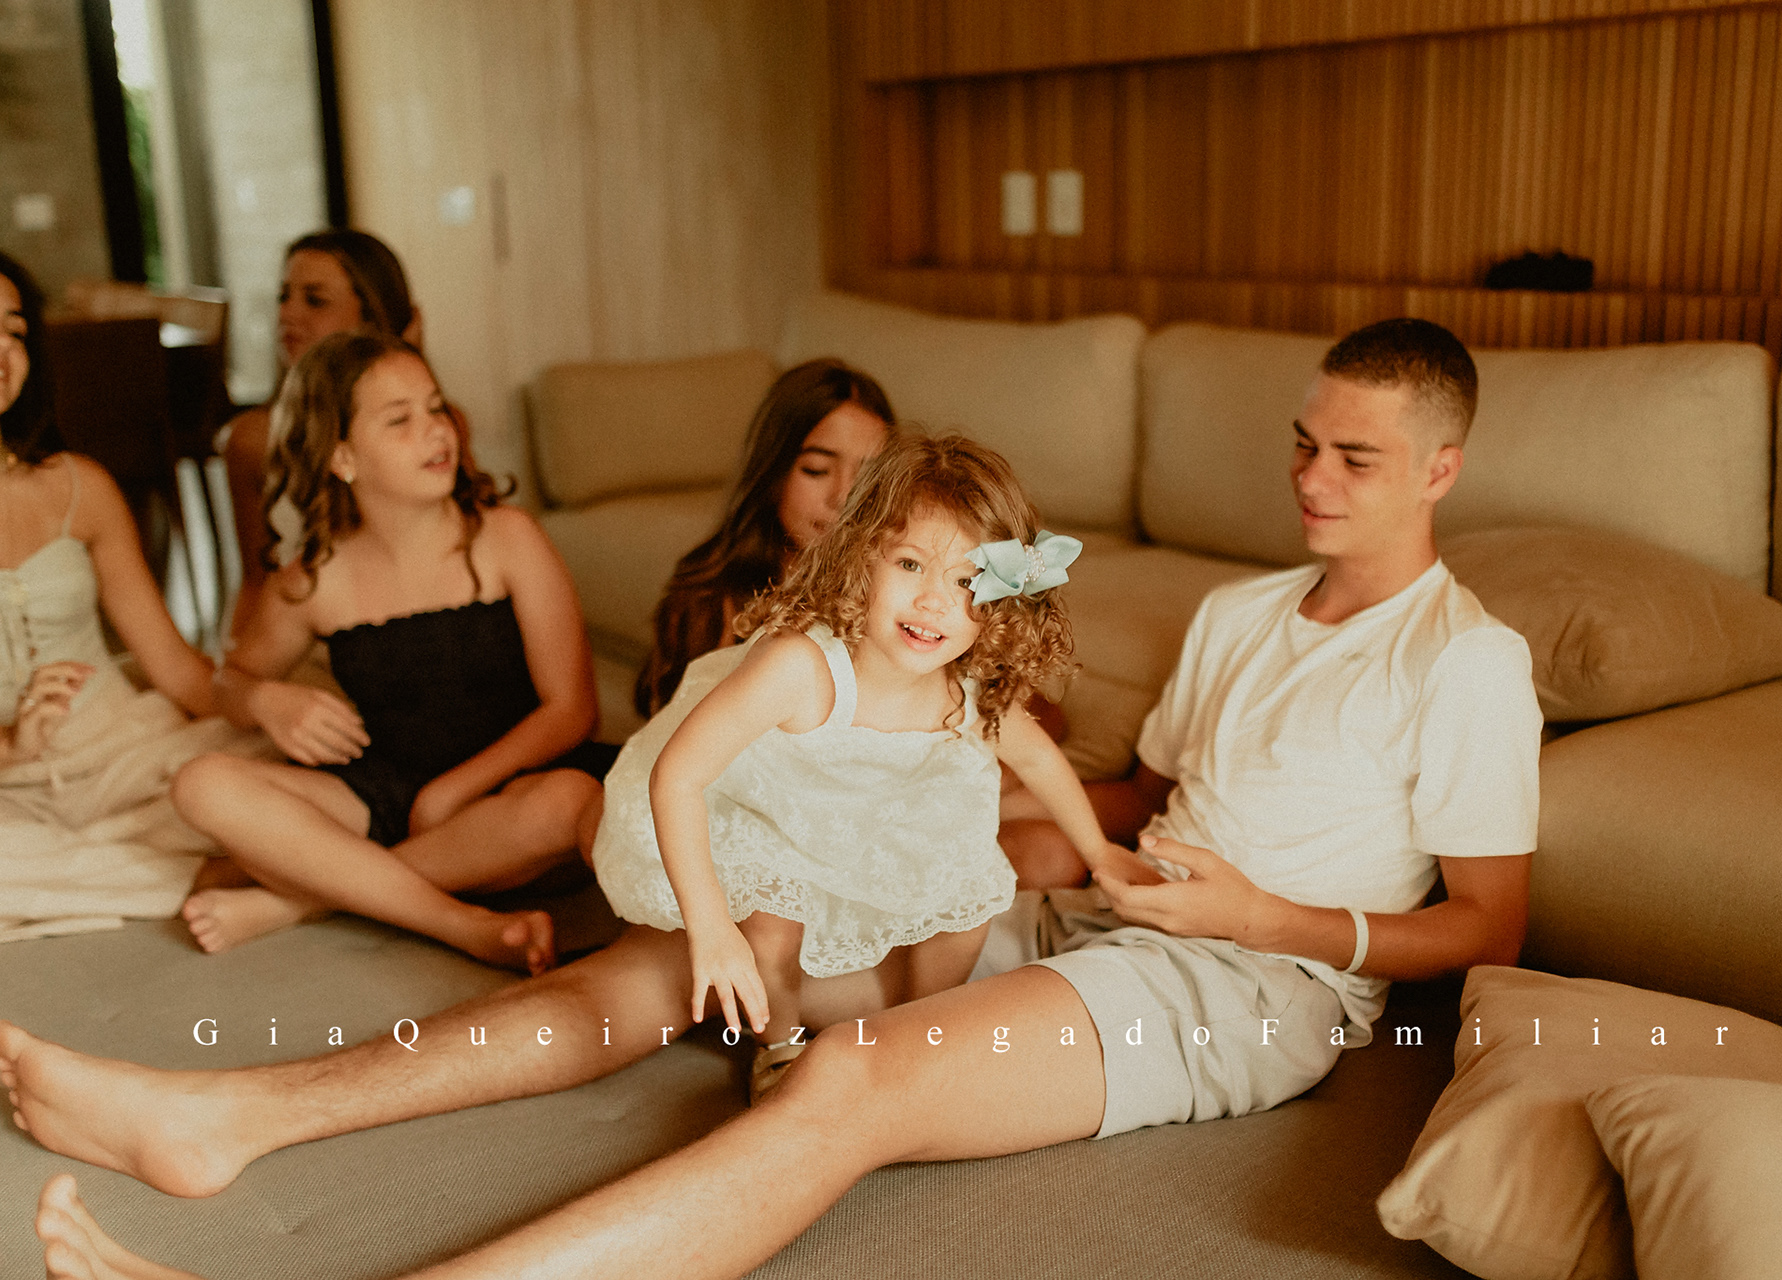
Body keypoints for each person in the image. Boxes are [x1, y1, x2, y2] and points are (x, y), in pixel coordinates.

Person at [12, 318, 1539, 1280]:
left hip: (1249, 985)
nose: (1312, 479)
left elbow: (1487, 925)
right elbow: (1128, 790)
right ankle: (223, 1113)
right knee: (683, 960)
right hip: (1104, 907)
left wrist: (1255, 915)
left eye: (1356, 458)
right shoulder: (1241, 612)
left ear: (1442, 468)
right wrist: (986, 834)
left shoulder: (1467, 662)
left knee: (849, 1083)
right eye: (1304, 445)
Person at [596, 434, 1135, 1094]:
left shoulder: (962, 689)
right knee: (771, 926)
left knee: (966, 901)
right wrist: (711, 928)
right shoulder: (800, 668)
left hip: (869, 819)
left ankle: (912, 1030)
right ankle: (779, 1047)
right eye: (910, 565)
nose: (934, 601)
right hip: (767, 813)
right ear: (860, 557)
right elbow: (678, 775)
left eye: (967, 581)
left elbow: (1040, 759)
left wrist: (1100, 853)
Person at [166, 330, 613, 971]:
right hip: (387, 789)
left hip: (514, 788)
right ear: (343, 457)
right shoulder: (312, 580)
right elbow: (227, 683)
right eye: (400, 420)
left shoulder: (507, 538)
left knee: (568, 803)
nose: (435, 432)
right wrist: (266, 700)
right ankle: (462, 924)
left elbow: (572, 710)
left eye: (435, 408)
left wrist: (451, 793)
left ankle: (303, 901)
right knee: (201, 785)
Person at [0, 252, 262, 944]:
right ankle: (216, 872)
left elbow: (174, 667)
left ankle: (136, 869)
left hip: (123, 754)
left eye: (14, 332)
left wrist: (265, 704)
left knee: (269, 764)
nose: (2, 353)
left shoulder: (80, 485)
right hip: (7, 795)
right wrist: (11, 745)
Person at [640, 356, 894, 716]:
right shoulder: (713, 602)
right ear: (773, 472)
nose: (843, 497)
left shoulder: (900, 597)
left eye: (868, 477)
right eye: (817, 469)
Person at [220, 230, 427, 638]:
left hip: (414, 626)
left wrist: (401, 370)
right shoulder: (252, 441)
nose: (288, 314)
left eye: (315, 300)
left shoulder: (436, 430)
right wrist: (235, 663)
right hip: (308, 638)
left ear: (371, 316)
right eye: (284, 297)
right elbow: (256, 581)